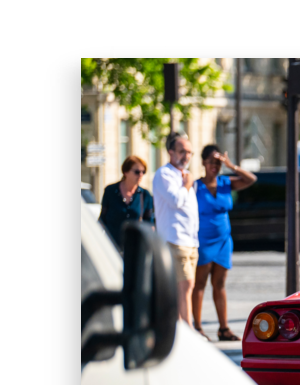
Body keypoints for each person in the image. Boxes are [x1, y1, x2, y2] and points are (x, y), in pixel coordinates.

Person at [192, 145, 257, 341]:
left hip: (223, 242)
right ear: (203, 162)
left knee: (219, 284)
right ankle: (197, 328)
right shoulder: (195, 186)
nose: (215, 165)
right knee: (200, 284)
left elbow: (251, 179)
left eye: (218, 162)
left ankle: (223, 328)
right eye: (211, 161)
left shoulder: (225, 182)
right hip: (202, 241)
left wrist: (231, 166)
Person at [153, 132, 199, 324]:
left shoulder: (184, 175)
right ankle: (188, 330)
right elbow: (175, 200)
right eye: (182, 151)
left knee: (187, 287)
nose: (186, 156)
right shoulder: (164, 174)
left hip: (190, 241)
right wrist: (187, 185)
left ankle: (183, 327)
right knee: (185, 286)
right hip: (175, 239)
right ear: (170, 152)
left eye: (189, 152)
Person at [99, 156, 154, 250]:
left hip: (135, 247)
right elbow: (102, 219)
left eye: (143, 172)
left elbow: (149, 224)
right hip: (112, 245)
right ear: (125, 172)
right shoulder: (111, 191)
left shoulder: (145, 195)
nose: (141, 175)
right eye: (137, 172)